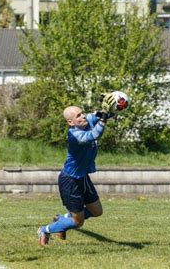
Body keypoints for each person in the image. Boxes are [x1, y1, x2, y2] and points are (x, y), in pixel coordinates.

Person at [37, 93, 117, 246]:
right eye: (78, 116)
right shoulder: (74, 135)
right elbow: (94, 135)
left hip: (82, 177)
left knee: (97, 211)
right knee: (78, 222)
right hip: (70, 180)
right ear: (71, 122)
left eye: (82, 113)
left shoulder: (89, 120)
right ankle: (45, 230)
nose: (83, 116)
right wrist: (105, 116)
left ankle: (63, 220)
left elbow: (106, 114)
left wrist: (110, 103)